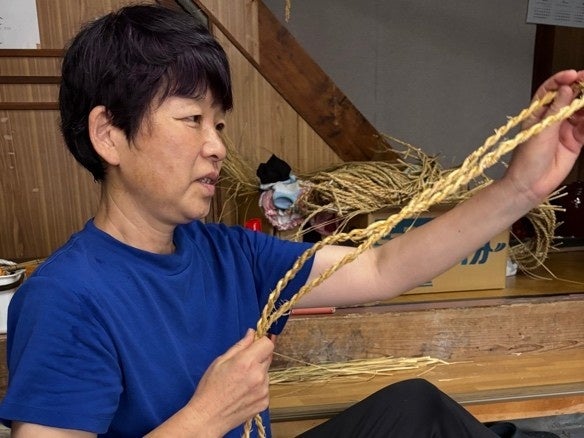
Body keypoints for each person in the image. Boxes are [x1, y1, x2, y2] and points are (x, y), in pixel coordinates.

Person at [0, 4, 582, 438]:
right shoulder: (67, 298)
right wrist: (207, 417)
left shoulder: (229, 254)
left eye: (218, 125)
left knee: (417, 409)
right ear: (109, 135)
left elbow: (381, 267)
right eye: (191, 119)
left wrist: (520, 190)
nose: (216, 147)